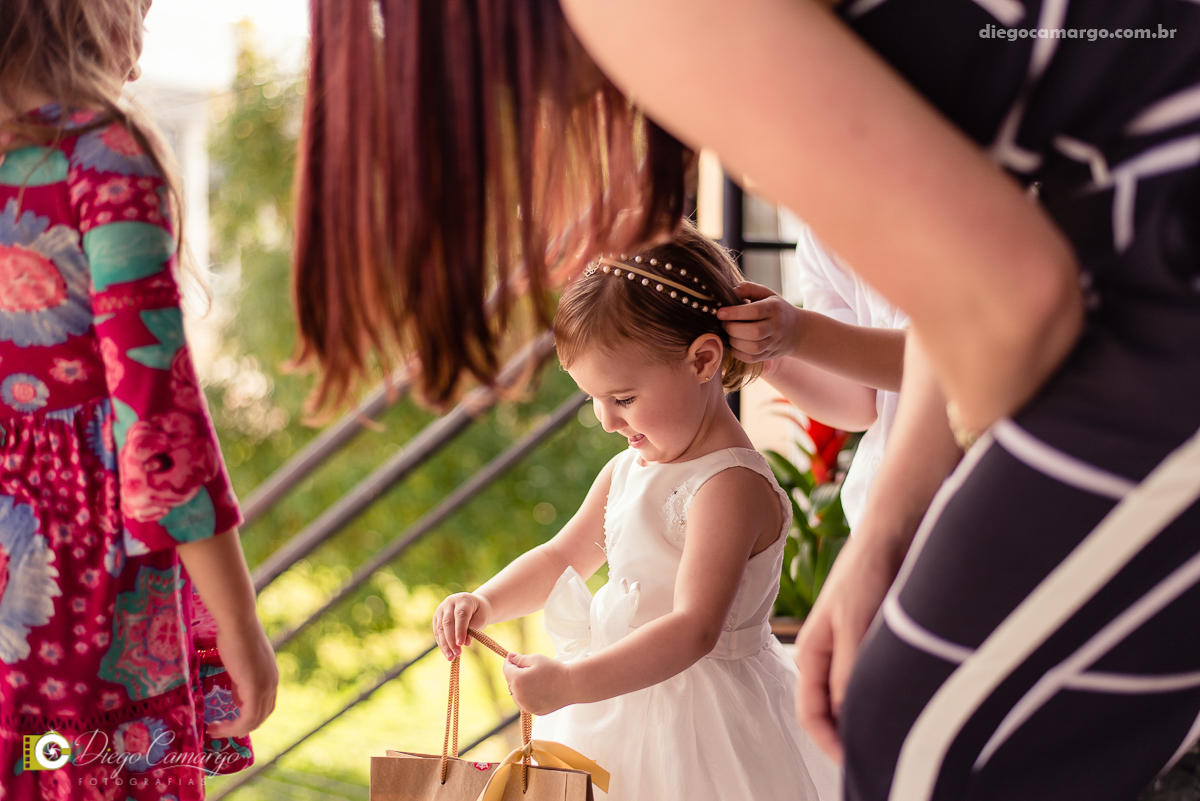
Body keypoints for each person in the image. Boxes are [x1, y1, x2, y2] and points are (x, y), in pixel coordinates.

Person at [301, 1, 1200, 799]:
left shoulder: (645, 16)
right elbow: (958, 299)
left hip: (1157, 262)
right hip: (1123, 241)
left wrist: (879, 541)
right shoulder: (634, 468)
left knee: (916, 744)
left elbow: (1003, 293)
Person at [432, 224, 838, 801]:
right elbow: (561, 557)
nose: (606, 420)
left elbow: (694, 629)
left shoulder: (729, 486)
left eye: (622, 399)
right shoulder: (629, 468)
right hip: (613, 703)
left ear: (703, 360)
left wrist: (572, 682)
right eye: (592, 400)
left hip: (704, 727)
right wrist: (486, 601)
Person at [0, 2, 277, 798]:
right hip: (71, 589)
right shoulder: (99, 156)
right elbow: (157, 416)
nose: (142, 47)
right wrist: (238, 622)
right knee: (75, 767)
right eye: (139, 10)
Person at [718, 223, 907, 530]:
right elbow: (861, 403)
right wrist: (774, 360)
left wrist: (801, 333)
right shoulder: (819, 234)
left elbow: (949, 364)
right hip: (877, 511)